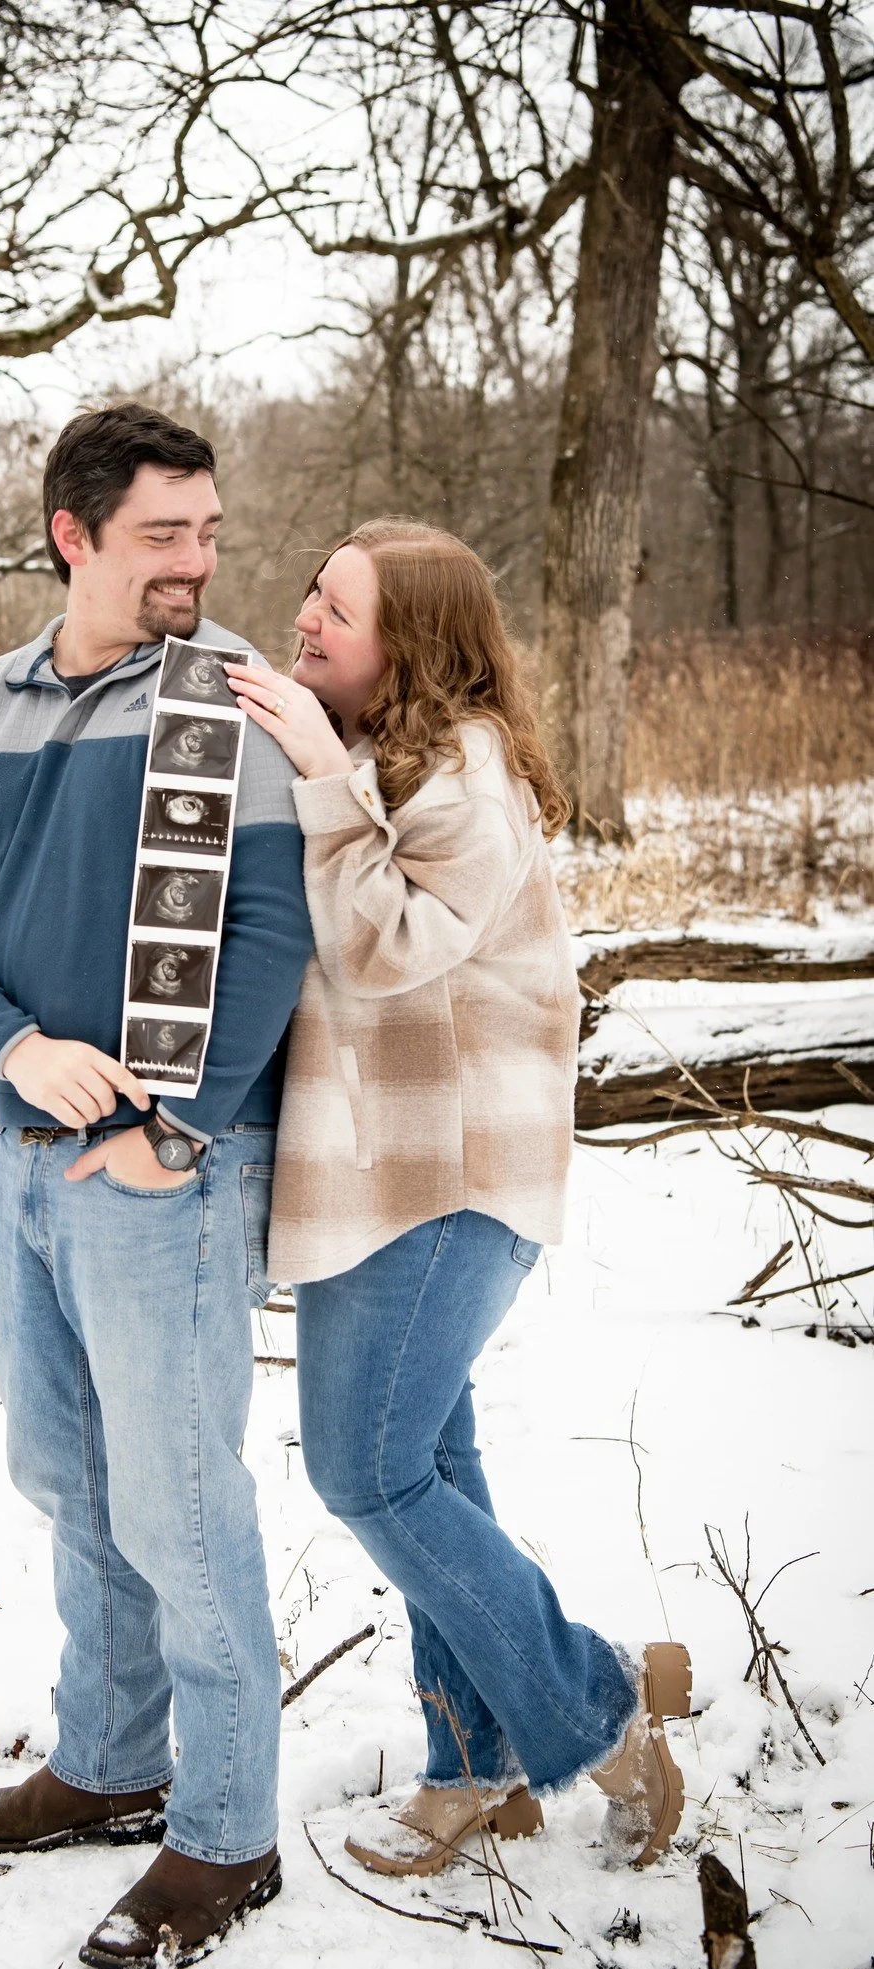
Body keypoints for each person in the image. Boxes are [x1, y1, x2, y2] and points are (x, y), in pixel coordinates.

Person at [0, 404, 314, 1969]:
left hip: (168, 1172)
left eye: (208, 531)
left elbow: (269, 928)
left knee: (178, 1504)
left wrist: (173, 1125)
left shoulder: (223, 696)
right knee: (65, 1477)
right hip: (29, 1155)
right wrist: (10, 1047)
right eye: (162, 537)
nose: (198, 563)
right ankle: (115, 1761)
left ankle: (228, 1835)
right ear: (73, 536)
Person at [225, 520, 693, 1879]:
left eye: (340, 610)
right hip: (381, 1171)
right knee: (430, 1466)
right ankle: (474, 1762)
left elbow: (383, 948)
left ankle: (599, 1711)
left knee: (367, 1469)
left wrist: (316, 775)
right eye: (313, 591)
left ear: (410, 649)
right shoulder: (384, 756)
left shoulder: (465, 781)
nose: (307, 618)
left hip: (447, 1178)